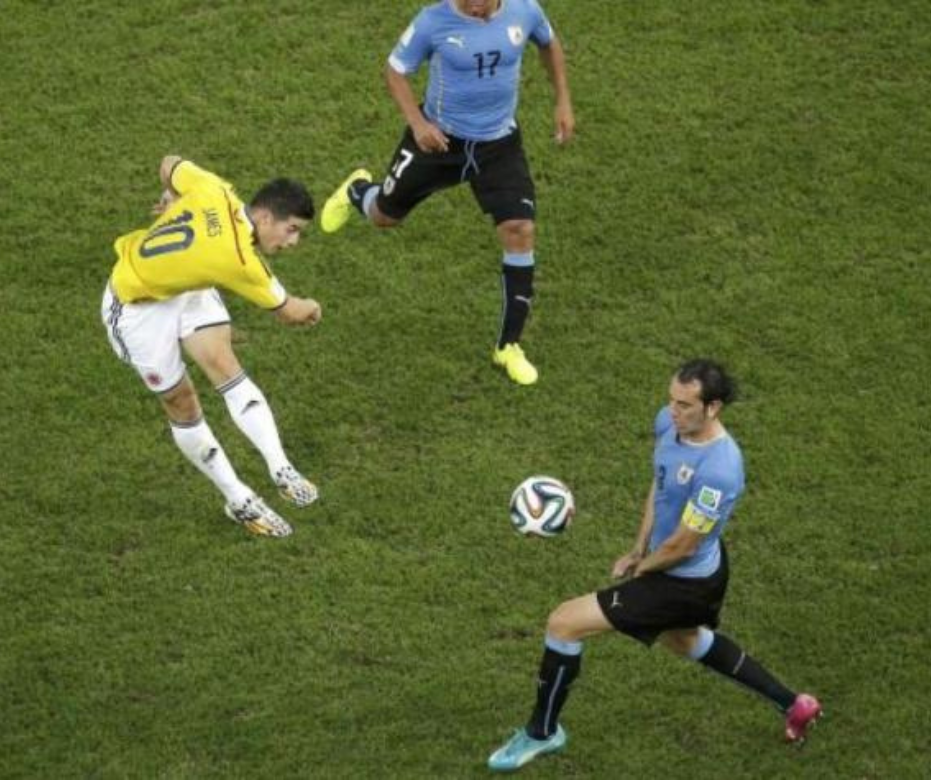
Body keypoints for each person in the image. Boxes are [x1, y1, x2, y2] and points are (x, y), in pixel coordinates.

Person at [487, 360, 823, 771]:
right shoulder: (669, 424)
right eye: (671, 400)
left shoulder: (720, 470)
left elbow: (683, 544)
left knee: (563, 623)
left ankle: (542, 733)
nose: (673, 412)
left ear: (713, 407)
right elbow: (661, 484)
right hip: (683, 571)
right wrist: (637, 546)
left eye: (685, 405)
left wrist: (644, 568)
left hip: (682, 582)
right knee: (687, 642)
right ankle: (794, 704)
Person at [320, 0, 575, 386]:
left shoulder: (525, 10)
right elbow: (395, 71)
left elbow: (548, 43)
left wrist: (563, 100)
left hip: (499, 145)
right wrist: (418, 123)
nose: (471, 4)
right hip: (438, 143)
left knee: (520, 229)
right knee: (385, 216)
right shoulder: (433, 20)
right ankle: (358, 190)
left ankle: (508, 346)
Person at [101, 156, 323, 538]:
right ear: (265, 217)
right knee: (181, 402)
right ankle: (237, 498)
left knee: (223, 360)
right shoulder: (239, 260)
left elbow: (169, 163)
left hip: (186, 284)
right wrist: (314, 307)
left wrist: (173, 197)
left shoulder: (216, 189)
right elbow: (290, 312)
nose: (292, 242)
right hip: (136, 307)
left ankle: (279, 466)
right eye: (291, 230)